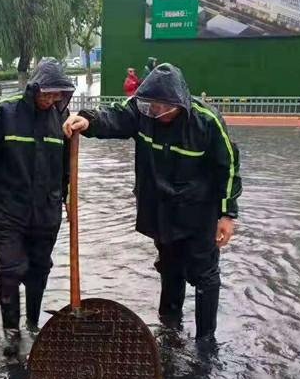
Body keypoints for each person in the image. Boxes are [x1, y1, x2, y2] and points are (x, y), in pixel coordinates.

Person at [63, 63, 242, 340]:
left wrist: (227, 215)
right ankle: (170, 328)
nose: (153, 113)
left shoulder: (206, 122)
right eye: (149, 107)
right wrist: (88, 121)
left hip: (198, 213)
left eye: (159, 108)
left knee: (204, 274)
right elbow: (116, 118)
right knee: (169, 267)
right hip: (161, 210)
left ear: (177, 104)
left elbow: (228, 167)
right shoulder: (141, 111)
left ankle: (206, 339)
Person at [0, 58, 75, 357]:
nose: (51, 100)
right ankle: (12, 334)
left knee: (39, 269)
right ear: (35, 87)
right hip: (9, 209)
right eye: (47, 94)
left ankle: (33, 325)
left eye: (57, 95)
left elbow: (65, 166)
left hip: (46, 211)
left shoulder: (60, 119)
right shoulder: (6, 110)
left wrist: (66, 196)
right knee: (10, 269)